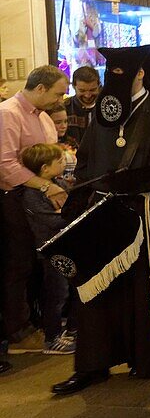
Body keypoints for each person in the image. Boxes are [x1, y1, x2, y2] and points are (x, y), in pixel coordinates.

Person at [51, 45, 150, 395]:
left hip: (145, 209)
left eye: (122, 73)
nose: (115, 79)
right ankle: (93, 364)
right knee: (95, 287)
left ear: (141, 73)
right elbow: (87, 158)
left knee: (144, 283)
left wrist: (137, 179)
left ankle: (149, 356)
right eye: (109, 72)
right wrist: (80, 193)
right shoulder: (101, 113)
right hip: (102, 210)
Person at [0, 66, 68, 353]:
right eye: (58, 93)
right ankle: (17, 331)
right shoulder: (8, 114)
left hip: (40, 198)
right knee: (19, 264)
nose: (61, 99)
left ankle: (43, 322)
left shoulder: (43, 117)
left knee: (42, 264)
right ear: (40, 89)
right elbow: (5, 165)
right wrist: (44, 185)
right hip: (13, 198)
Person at [19, 143, 76, 355]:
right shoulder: (32, 194)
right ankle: (52, 337)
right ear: (44, 168)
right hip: (51, 249)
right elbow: (50, 220)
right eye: (60, 162)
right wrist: (68, 213)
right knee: (56, 293)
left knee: (71, 290)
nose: (64, 164)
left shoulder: (58, 182)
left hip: (67, 245)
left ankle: (72, 329)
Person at [65, 66, 101, 147]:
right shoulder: (64, 108)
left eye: (92, 90)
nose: (87, 95)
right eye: (82, 91)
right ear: (74, 87)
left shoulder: (107, 108)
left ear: (99, 86)